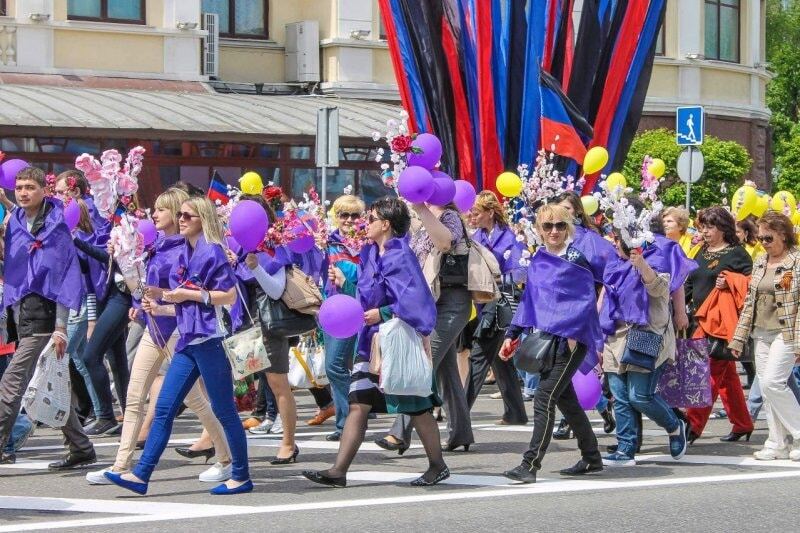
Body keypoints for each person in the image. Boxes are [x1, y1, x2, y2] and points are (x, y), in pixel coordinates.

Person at [103, 197, 252, 495]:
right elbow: (182, 300)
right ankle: (141, 475)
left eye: (187, 215)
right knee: (163, 408)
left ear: (202, 219)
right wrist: (160, 301)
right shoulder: (184, 250)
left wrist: (189, 295)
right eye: (180, 214)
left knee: (224, 410)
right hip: (188, 339)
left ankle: (241, 476)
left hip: (211, 341)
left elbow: (229, 296)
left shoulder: (212, 251)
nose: (181, 219)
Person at [302, 197, 449, 487]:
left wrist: (380, 312)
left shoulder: (400, 255)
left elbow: (414, 300)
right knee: (358, 402)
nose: (364, 223)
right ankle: (338, 471)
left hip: (396, 341)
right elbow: (368, 291)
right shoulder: (370, 253)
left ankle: (438, 465)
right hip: (370, 341)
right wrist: (349, 286)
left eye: (370, 218)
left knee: (417, 405)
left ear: (386, 224)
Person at [500, 204, 603, 483]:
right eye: (548, 226)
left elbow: (585, 301)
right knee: (566, 401)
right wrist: (511, 334)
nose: (554, 231)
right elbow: (529, 301)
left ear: (568, 227)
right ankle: (592, 457)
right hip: (547, 338)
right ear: (539, 230)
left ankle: (530, 464)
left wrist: (573, 335)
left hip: (571, 339)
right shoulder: (540, 259)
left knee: (544, 397)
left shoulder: (577, 258)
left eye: (560, 225)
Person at [0, 167, 93, 468]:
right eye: (19, 187)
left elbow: (64, 275)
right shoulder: (15, 221)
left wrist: (61, 328)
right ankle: (80, 447)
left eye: (30, 187)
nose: (23, 192)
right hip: (22, 313)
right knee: (46, 385)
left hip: (47, 316)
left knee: (11, 384)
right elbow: (14, 263)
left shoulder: (56, 226)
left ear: (44, 190)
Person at [377, 200, 473, 453]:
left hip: (452, 302)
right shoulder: (417, 222)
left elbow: (444, 243)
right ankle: (460, 433)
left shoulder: (449, 216)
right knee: (447, 372)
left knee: (422, 364)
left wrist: (421, 209)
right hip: (430, 302)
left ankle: (399, 433)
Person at [601, 232, 688, 466]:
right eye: (616, 240)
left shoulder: (656, 257)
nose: (617, 245)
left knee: (639, 396)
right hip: (614, 335)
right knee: (619, 397)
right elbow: (604, 297)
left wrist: (641, 264)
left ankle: (674, 426)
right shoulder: (613, 263)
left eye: (621, 241)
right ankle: (625, 448)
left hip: (646, 333)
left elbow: (660, 289)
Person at [230, 194, 299, 465]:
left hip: (269, 326)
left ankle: (288, 443)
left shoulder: (274, 248)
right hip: (245, 328)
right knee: (230, 384)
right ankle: (210, 440)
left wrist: (256, 268)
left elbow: (275, 289)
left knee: (278, 384)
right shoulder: (238, 249)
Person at [729, 212, 800, 461]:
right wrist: (738, 338)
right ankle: (777, 442)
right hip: (760, 332)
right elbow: (750, 303)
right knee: (768, 389)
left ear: (783, 234)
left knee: (772, 383)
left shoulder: (797, 261)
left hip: (787, 332)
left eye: (768, 237)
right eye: (760, 237)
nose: (763, 242)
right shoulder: (760, 261)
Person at [684, 206, 754, 443]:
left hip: (724, 323)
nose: (704, 231)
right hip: (701, 320)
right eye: (702, 226)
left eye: (710, 226)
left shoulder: (738, 254)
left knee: (707, 375)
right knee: (727, 377)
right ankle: (743, 423)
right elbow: (690, 284)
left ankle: (692, 426)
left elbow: (751, 286)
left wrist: (732, 280)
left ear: (723, 228)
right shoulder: (701, 252)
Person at [465, 191, 528, 425]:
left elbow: (520, 272)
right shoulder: (476, 237)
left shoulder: (510, 238)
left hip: (502, 305)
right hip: (484, 303)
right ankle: (516, 412)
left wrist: (496, 279)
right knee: (500, 360)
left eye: (477, 212)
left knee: (479, 357)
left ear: (490, 213)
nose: (472, 216)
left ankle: (460, 415)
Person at [322, 194, 365, 441]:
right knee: (339, 366)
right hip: (331, 310)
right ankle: (353, 415)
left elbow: (369, 275)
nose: (349, 220)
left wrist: (346, 274)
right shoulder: (328, 242)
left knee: (335, 365)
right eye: (343, 215)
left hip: (355, 308)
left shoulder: (367, 242)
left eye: (354, 215)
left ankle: (348, 421)